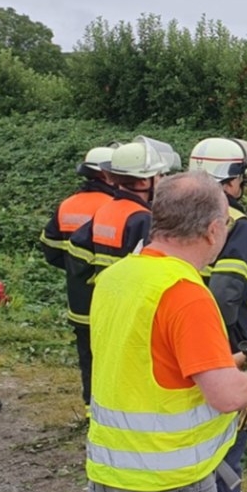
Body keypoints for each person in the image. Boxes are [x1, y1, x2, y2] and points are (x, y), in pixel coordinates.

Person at [86, 171, 247, 492]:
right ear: (213, 230)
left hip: (108, 480)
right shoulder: (186, 294)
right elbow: (227, 397)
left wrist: (236, 360)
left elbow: (153, 366)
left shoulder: (115, 277)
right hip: (168, 488)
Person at [66, 137, 179, 410]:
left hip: (101, 305)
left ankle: (93, 412)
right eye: (159, 175)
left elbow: (76, 251)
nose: (162, 180)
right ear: (142, 182)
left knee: (98, 365)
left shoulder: (106, 209)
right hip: (129, 313)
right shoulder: (143, 219)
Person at [188, 137, 247, 492]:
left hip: (170, 351)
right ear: (231, 180)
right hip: (225, 351)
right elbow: (226, 295)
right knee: (226, 453)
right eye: (242, 177)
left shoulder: (168, 213)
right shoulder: (237, 225)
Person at [39, 146, 117, 412]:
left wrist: (75, 271)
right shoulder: (115, 207)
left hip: (79, 302)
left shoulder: (68, 204)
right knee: (112, 358)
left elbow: (50, 249)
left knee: (88, 355)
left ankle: (89, 408)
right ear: (107, 174)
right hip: (110, 302)